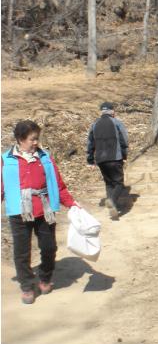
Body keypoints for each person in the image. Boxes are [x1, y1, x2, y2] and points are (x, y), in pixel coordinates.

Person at [1, 120, 79, 304]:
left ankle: (45, 277)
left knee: (49, 247)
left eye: (37, 139)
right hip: (18, 212)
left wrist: (72, 203)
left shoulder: (45, 158)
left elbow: (58, 185)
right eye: (32, 139)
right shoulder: (6, 160)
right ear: (20, 139)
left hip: (44, 210)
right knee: (21, 251)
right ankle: (27, 286)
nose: (36, 143)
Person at [87, 102, 128, 220]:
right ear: (112, 111)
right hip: (115, 157)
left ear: (101, 112)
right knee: (119, 183)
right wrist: (124, 155)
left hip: (100, 159)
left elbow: (90, 143)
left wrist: (90, 160)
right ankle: (112, 202)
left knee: (109, 183)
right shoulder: (117, 123)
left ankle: (112, 210)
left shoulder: (94, 124)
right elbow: (124, 140)